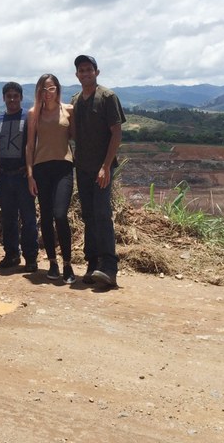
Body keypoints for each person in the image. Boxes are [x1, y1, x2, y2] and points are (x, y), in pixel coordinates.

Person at [72, 54, 126, 288]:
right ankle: (92, 263)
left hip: (101, 168)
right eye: (81, 70)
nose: (85, 73)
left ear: (96, 72)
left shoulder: (107, 97)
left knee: (103, 214)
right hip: (82, 167)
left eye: (88, 70)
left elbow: (116, 133)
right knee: (88, 215)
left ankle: (109, 267)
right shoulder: (76, 100)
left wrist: (106, 166)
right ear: (77, 75)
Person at [25, 74, 76, 284]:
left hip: (64, 166)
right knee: (46, 216)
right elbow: (29, 146)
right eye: (43, 89)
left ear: (57, 89)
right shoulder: (33, 113)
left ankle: (68, 263)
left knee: (60, 214)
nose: (47, 93)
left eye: (51, 88)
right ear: (39, 91)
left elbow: (75, 135)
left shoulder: (69, 110)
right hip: (41, 168)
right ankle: (53, 262)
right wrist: (29, 176)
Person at [0, 82, 39, 272]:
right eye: (8, 96)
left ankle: (31, 257)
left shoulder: (28, 117)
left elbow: (32, 145)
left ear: (21, 97)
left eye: (15, 96)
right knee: (8, 218)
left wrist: (31, 175)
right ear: (3, 98)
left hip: (22, 175)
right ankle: (11, 254)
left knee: (28, 218)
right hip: (4, 177)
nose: (12, 99)